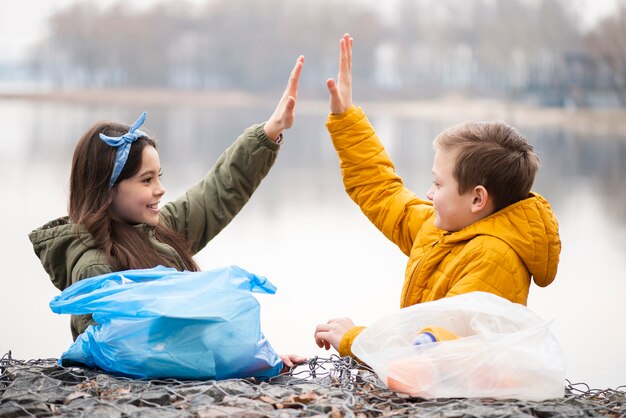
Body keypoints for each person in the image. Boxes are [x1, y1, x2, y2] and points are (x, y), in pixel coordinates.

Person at [30, 56, 306, 369]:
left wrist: (270, 131)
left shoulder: (157, 229)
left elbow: (216, 194)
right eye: (147, 180)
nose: (160, 189)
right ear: (107, 191)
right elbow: (126, 354)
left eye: (160, 176)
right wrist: (245, 362)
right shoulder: (96, 265)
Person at [314, 34, 561, 358]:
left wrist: (353, 339)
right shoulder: (443, 227)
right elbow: (381, 190)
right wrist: (347, 119)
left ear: (477, 199)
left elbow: (431, 354)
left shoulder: (493, 259)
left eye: (438, 184)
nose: (429, 194)